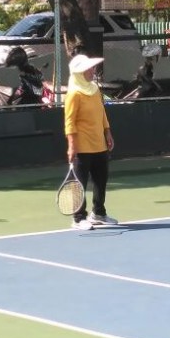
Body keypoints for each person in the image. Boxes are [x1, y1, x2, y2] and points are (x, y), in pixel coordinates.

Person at [64, 53, 117, 230]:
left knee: (101, 180)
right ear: (79, 73)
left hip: (99, 144)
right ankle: (79, 218)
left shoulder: (94, 89)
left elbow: (101, 112)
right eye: (89, 68)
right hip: (82, 146)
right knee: (79, 183)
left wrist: (107, 132)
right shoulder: (74, 94)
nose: (93, 70)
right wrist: (72, 145)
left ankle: (99, 213)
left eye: (92, 67)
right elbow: (69, 121)